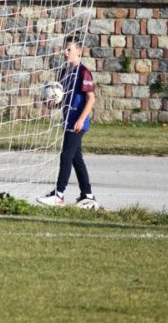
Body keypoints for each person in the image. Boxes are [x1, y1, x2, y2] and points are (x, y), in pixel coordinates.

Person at [37, 35, 99, 209]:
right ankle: (87, 195)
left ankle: (59, 194)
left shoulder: (83, 72)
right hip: (68, 121)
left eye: (69, 49)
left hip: (77, 123)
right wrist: (52, 104)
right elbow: (63, 99)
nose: (65, 53)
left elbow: (91, 98)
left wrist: (80, 120)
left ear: (78, 51)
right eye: (64, 49)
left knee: (66, 156)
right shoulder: (64, 73)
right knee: (76, 159)